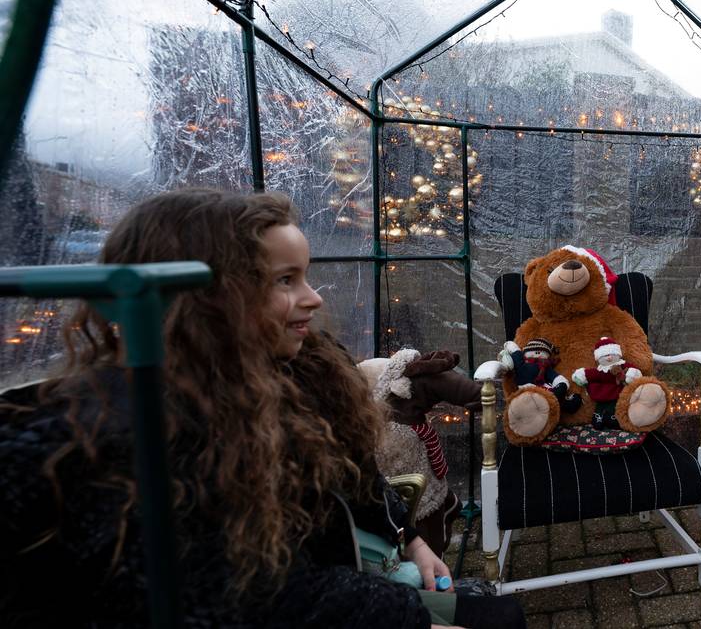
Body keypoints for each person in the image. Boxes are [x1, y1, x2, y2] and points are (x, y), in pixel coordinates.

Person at [0, 188, 525, 628]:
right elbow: (251, 593)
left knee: (505, 617)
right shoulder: (125, 437)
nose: (315, 298)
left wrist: (410, 539)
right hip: (326, 603)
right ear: (207, 297)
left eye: (304, 275)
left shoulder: (297, 374)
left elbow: (354, 479)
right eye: (283, 280)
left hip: (353, 581)